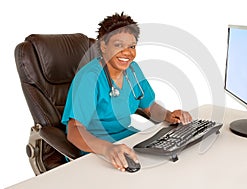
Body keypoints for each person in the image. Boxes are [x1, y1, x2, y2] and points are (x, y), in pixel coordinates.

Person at [62, 12, 192, 172]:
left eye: (132, 46)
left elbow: (149, 106)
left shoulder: (133, 70)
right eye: (118, 45)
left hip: (128, 140)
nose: (127, 53)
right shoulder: (89, 78)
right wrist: (107, 149)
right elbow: (74, 130)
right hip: (94, 149)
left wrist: (169, 115)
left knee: (172, 166)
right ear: (103, 46)